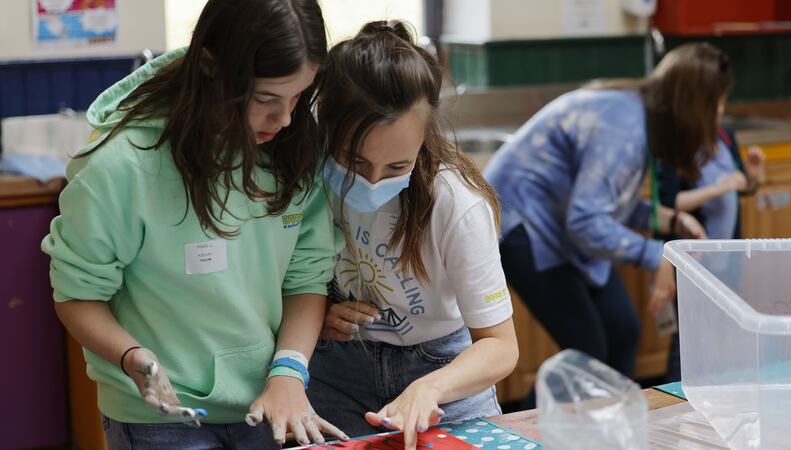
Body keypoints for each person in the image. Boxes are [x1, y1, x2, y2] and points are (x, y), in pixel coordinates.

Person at [41, 0, 347, 448]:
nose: (283, 118)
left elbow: (306, 280)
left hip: (270, 399)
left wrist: (289, 371)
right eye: (264, 100)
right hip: (157, 418)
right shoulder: (120, 168)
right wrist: (134, 358)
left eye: (298, 97)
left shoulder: (293, 145)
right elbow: (78, 296)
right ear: (210, 70)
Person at [306, 20, 519, 448]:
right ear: (325, 127)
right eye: (355, 161)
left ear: (423, 139)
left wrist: (431, 388)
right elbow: (280, 283)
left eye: (396, 167)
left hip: (445, 374)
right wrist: (322, 312)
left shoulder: (455, 202)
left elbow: (500, 346)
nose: (371, 182)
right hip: (338, 375)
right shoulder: (307, 178)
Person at [483, 42, 731, 407]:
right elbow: (585, 220)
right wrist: (658, 255)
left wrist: (670, 219)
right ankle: (520, 436)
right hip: (522, 224)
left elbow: (606, 205)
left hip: (559, 223)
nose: (721, 114)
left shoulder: (640, 115)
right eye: (718, 103)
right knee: (587, 351)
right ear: (696, 104)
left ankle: (609, 427)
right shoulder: (625, 128)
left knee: (623, 331)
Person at [657, 125, 765, 382]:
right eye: (715, 100)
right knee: (689, 335)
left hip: (728, 254)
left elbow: (738, 185)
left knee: (723, 331)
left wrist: (752, 178)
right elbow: (667, 204)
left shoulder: (726, 134)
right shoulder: (674, 140)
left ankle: (716, 389)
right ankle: (679, 396)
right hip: (693, 257)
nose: (719, 108)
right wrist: (716, 190)